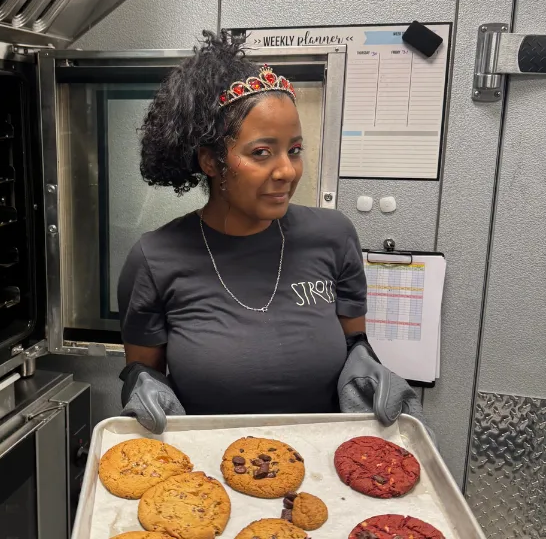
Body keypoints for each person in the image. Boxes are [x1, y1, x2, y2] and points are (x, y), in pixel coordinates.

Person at [117, 30, 426, 435]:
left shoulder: (333, 236)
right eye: (261, 152)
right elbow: (145, 373)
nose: (287, 171)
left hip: (323, 465)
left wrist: (366, 365)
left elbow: (355, 344)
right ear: (210, 160)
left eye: (294, 150)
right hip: (209, 474)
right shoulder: (155, 259)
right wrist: (143, 389)